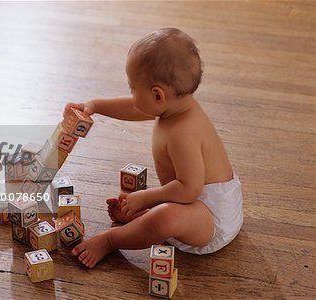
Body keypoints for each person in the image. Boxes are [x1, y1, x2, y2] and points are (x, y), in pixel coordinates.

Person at [64, 28, 243, 268]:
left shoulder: (183, 132)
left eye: (132, 88)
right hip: (195, 201)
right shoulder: (175, 106)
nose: (131, 94)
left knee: (164, 218)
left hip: (211, 217)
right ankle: (141, 218)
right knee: (163, 210)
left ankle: (110, 240)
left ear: (158, 95)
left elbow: (189, 190)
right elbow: (136, 107)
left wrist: (145, 198)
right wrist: (94, 105)